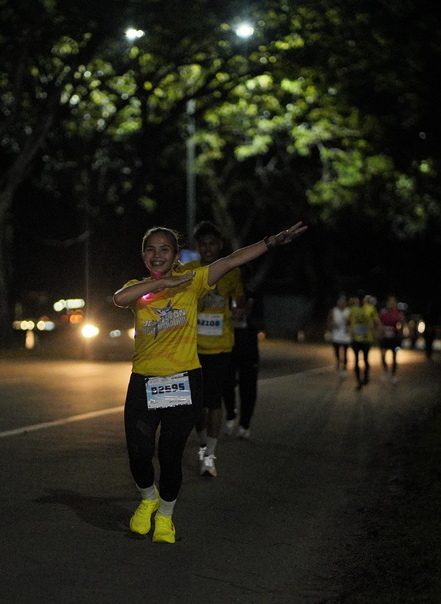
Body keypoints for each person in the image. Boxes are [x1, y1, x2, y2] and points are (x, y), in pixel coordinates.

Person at [113, 221, 307, 543]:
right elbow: (119, 298)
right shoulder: (139, 288)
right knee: (138, 451)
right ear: (143, 255)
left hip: (182, 381)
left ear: (176, 255)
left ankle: (165, 515)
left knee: (169, 454)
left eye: (165, 249)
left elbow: (233, 260)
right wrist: (163, 283)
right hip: (145, 382)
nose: (157, 255)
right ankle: (148, 498)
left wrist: (272, 241)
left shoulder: (193, 282)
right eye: (150, 249)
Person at [181, 222, 245, 477]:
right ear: (197, 247)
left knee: (213, 400)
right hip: (191, 348)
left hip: (220, 347)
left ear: (220, 245)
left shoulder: (231, 271)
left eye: (212, 244)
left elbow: (239, 299)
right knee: (195, 404)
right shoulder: (188, 271)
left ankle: (209, 457)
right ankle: (203, 445)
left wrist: (240, 308)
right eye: (202, 244)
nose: (207, 249)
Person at [221, 286, 261, 440]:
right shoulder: (225, 294)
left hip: (248, 348)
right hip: (227, 345)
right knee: (226, 383)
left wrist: (247, 314)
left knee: (248, 388)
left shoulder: (253, 296)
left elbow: (261, 322)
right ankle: (231, 414)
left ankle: (244, 424)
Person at [347, 291, 380, 390]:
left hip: (366, 339)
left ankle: (366, 377)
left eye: (362, 298)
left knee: (365, 359)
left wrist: (375, 330)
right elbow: (348, 321)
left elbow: (376, 321)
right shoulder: (352, 309)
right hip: (355, 339)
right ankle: (358, 381)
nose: (361, 300)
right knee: (356, 360)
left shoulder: (370, 308)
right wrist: (350, 329)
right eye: (359, 298)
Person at [378, 295, 407, 383]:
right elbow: (378, 322)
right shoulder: (383, 312)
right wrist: (380, 331)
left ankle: (393, 374)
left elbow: (402, 323)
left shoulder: (398, 313)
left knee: (394, 356)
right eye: (390, 301)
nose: (391, 303)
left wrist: (401, 333)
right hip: (384, 337)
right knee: (383, 354)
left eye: (393, 302)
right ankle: (385, 371)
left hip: (394, 337)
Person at [326, 293, 351, 377]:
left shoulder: (349, 311)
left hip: (346, 335)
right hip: (336, 335)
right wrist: (331, 325)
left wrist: (349, 326)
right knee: (336, 350)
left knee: (345, 352)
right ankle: (338, 361)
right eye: (340, 301)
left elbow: (352, 322)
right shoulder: (334, 311)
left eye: (343, 301)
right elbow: (329, 321)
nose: (341, 303)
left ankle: (344, 367)